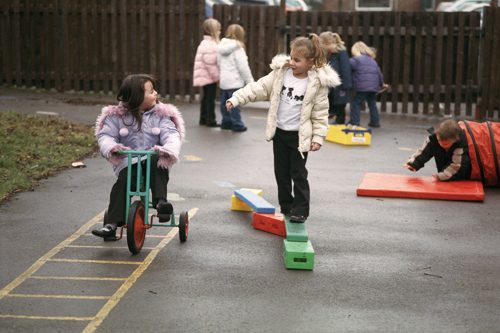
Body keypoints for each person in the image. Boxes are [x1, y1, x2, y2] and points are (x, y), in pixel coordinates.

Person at [226, 34, 340, 223]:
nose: (292, 62)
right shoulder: (280, 74)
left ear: (310, 62)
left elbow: (320, 113)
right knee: (281, 173)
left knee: (299, 173)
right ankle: (287, 207)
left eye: (297, 60)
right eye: (291, 57)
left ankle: (301, 210)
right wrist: (236, 98)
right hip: (279, 132)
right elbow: (258, 88)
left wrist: (318, 137)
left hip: (299, 136)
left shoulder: (316, 83)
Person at [92, 74, 185, 239]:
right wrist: (111, 147)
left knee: (157, 163)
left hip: (153, 158)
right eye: (151, 91)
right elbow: (105, 135)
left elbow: (171, 134)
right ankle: (111, 224)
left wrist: (168, 148)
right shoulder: (116, 117)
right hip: (129, 161)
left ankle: (161, 203)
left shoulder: (160, 115)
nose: (155, 93)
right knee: (122, 183)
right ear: (137, 97)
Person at [403, 119, 471, 181]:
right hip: (448, 172)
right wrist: (414, 164)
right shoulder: (435, 139)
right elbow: (425, 152)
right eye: (439, 141)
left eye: (445, 144)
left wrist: (442, 176)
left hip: (463, 175)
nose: (441, 145)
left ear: (455, 141)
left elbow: (457, 165)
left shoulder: (462, 145)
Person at [217, 24, 254, 132]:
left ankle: (226, 122)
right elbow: (243, 67)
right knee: (235, 103)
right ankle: (237, 124)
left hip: (224, 81)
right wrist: (250, 82)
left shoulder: (221, 47)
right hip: (235, 82)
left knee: (224, 103)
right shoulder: (238, 48)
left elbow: (219, 63)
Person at [348, 41, 388, 128]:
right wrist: (382, 83)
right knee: (372, 103)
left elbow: (347, 67)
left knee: (356, 102)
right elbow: (379, 73)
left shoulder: (355, 60)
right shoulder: (372, 61)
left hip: (362, 87)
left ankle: (354, 121)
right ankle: (375, 122)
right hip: (373, 87)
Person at [193, 18, 221, 127]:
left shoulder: (204, 42)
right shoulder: (211, 45)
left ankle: (203, 118)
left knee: (205, 98)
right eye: (218, 30)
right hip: (209, 76)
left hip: (204, 75)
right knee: (210, 99)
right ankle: (210, 120)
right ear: (213, 30)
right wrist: (217, 77)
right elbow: (210, 64)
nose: (219, 32)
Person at [319, 31, 351, 125]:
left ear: (329, 43)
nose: (323, 48)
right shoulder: (329, 54)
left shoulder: (341, 53)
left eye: (323, 45)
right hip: (332, 84)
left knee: (340, 104)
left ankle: (340, 122)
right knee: (331, 101)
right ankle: (332, 119)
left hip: (341, 84)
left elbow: (346, 69)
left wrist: (346, 84)